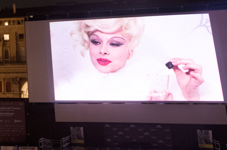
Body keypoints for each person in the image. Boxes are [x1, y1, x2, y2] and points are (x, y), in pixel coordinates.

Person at [63, 17, 206, 101]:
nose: (103, 50)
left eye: (114, 43)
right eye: (95, 41)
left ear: (130, 50)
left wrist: (190, 95)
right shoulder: (73, 91)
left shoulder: (153, 87)